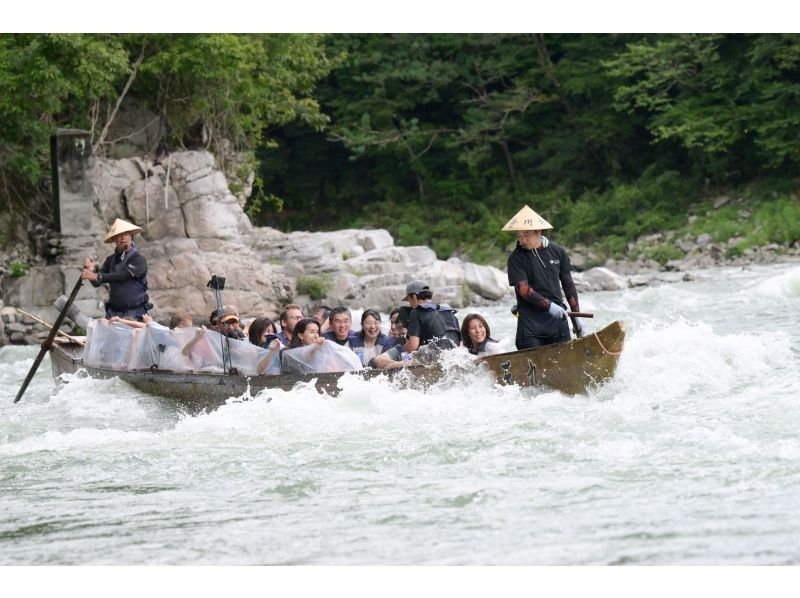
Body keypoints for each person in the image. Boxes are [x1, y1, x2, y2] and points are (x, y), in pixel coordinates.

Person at [503, 205, 582, 349]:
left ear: (538, 231)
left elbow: (568, 284)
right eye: (519, 235)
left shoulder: (558, 252)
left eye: (526, 235)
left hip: (558, 321)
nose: (522, 240)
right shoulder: (515, 258)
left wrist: (576, 315)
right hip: (530, 324)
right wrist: (549, 306)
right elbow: (522, 288)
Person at [372, 282, 460, 369]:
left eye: (409, 300)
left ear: (414, 297)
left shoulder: (417, 311)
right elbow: (461, 345)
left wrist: (401, 353)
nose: (410, 304)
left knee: (390, 366)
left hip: (432, 357)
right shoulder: (449, 312)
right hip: (454, 357)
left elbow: (412, 346)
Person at [81, 218, 151, 321]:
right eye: (119, 235)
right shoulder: (110, 260)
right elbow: (97, 283)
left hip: (135, 313)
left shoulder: (138, 258)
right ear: (114, 238)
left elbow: (123, 276)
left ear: (131, 236)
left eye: (126, 234)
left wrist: (96, 276)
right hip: (113, 313)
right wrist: (90, 271)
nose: (123, 238)